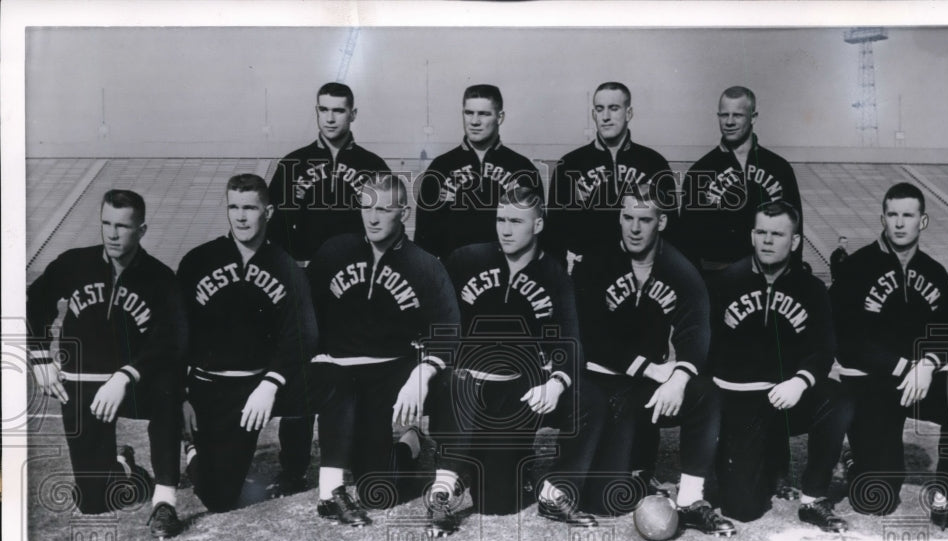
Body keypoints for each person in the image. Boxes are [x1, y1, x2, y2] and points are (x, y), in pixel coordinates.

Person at [572, 183, 734, 536]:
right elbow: (591, 339)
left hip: (651, 384)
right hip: (605, 385)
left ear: (661, 222)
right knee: (608, 501)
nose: (634, 228)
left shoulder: (679, 267)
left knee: (704, 392)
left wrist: (678, 378)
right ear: (619, 217)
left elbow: (696, 330)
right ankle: (631, 472)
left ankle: (691, 500)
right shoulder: (595, 264)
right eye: (628, 217)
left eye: (644, 220)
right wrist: (650, 368)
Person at [307, 173, 463, 530]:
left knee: (381, 493)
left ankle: (410, 443)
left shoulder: (425, 265)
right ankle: (329, 494)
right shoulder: (335, 252)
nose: (373, 217)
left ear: (403, 213)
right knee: (334, 379)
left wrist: (423, 371)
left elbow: (448, 328)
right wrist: (314, 351)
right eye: (366, 207)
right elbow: (304, 312)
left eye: (383, 209)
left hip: (390, 372)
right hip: (337, 371)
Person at [27, 190, 186, 538]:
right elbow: (32, 303)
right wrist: (39, 356)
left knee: (169, 390)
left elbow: (172, 338)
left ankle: (165, 500)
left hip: (136, 383)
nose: (113, 234)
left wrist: (127, 374)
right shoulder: (73, 264)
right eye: (107, 224)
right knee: (93, 502)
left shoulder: (160, 278)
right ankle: (126, 467)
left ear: (141, 230)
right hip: (84, 383)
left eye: (123, 226)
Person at [442, 183, 597, 534]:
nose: (506, 229)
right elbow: (437, 322)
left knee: (592, 398)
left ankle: (556, 490)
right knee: (497, 503)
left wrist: (556, 383)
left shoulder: (555, 274)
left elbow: (571, 342)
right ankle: (457, 466)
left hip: (524, 390)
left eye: (516, 221)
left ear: (538, 225)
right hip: (471, 388)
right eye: (500, 219)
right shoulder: (466, 260)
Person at [830, 182, 948, 537]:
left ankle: (946, 496)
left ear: (922, 221)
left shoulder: (934, 271)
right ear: (882, 217)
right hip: (870, 385)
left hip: (916, 381)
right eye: (892, 215)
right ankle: (854, 459)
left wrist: (927, 364)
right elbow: (846, 340)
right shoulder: (857, 268)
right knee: (875, 500)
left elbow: (945, 329)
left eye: (907, 215)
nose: (899, 223)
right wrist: (904, 366)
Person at [268, 82, 389, 494]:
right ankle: (293, 465)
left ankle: (347, 453)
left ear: (353, 113)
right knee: (301, 369)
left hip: (352, 289)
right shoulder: (291, 166)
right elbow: (275, 237)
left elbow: (384, 231)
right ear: (316, 111)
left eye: (340, 110)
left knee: (348, 369)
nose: (331, 117)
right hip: (304, 286)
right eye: (324, 109)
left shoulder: (373, 166)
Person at [177, 174, 317, 516]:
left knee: (323, 379)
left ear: (267, 212)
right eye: (234, 207)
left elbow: (303, 334)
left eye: (250, 208)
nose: (240, 217)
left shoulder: (285, 266)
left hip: (256, 387)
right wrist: (181, 393)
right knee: (218, 498)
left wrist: (271, 383)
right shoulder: (198, 261)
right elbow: (175, 332)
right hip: (208, 386)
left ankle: (296, 466)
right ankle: (190, 444)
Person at [709, 200, 852, 529]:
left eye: (777, 233)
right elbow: (707, 352)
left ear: (795, 241)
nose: (768, 240)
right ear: (752, 236)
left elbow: (824, 348)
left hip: (786, 398)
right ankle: (751, 462)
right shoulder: (725, 282)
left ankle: (813, 498)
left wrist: (800, 381)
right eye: (761, 232)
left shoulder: (812, 289)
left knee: (838, 398)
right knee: (742, 509)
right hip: (740, 403)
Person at [547, 82, 677, 273]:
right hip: (587, 275)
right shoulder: (569, 165)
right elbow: (554, 236)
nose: (606, 117)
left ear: (629, 113)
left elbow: (672, 231)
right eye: (600, 109)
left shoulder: (654, 163)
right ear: (594, 115)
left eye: (614, 108)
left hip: (639, 275)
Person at [673, 86, 801, 275]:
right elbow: (687, 241)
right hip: (716, 280)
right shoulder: (700, 171)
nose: (729, 122)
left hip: (768, 276)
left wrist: (794, 278)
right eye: (724, 115)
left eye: (738, 115)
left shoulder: (779, 169)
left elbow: (796, 231)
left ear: (753, 117)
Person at [416, 84, 542, 261]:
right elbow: (424, 239)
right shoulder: (440, 168)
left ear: (500, 117)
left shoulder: (522, 169)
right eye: (469, 113)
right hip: (454, 276)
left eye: (484, 114)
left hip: (506, 275)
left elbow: (539, 238)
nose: (474, 121)